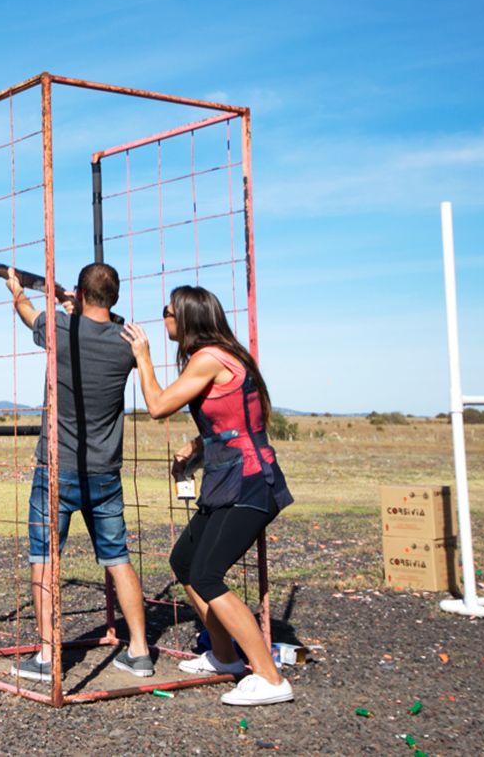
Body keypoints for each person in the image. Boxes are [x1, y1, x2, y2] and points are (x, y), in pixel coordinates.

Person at [120, 285, 296, 706]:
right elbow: (233, 421)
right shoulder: (220, 356)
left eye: (167, 311)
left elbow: (159, 405)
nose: (163, 318)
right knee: (184, 561)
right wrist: (197, 450)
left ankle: (270, 679)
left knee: (207, 575)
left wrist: (142, 357)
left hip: (252, 483)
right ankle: (224, 657)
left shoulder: (208, 358)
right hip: (230, 479)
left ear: (186, 317)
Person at [6, 263, 152, 682]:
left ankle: (48, 656)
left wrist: (17, 289)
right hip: (106, 472)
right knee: (118, 559)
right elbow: (102, 326)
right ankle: (140, 651)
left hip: (58, 466)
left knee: (45, 559)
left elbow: (27, 313)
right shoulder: (127, 342)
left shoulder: (61, 329)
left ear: (81, 295)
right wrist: (75, 308)